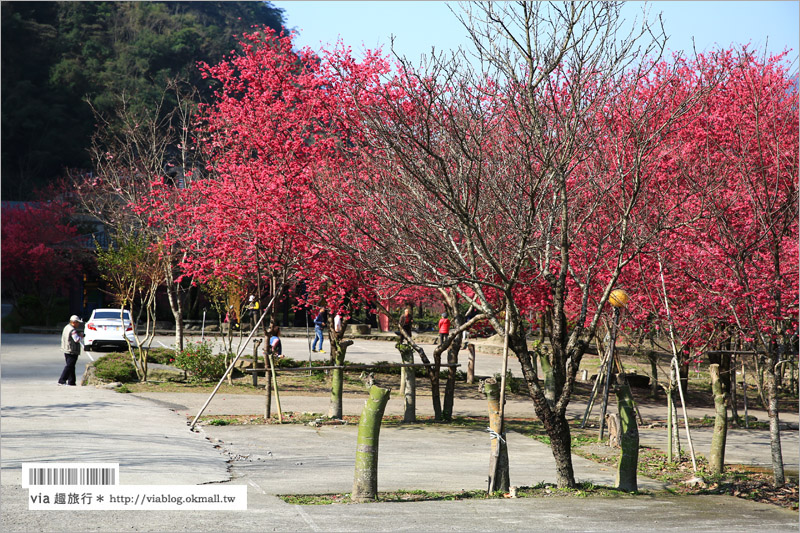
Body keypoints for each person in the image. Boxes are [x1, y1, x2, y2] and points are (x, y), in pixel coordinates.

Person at [59, 315, 84, 386]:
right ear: (74, 322)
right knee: (69, 366)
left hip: (66, 349)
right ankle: (62, 380)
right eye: (77, 323)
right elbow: (76, 339)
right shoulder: (72, 330)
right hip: (72, 350)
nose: (78, 324)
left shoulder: (66, 327)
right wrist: (81, 336)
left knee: (72, 366)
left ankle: (72, 381)